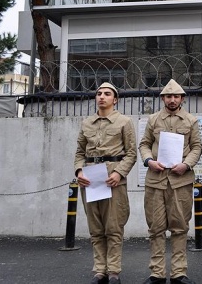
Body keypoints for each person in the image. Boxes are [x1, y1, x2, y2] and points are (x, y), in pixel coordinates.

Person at [139, 79, 202, 284]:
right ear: (163, 98)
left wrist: (187, 165)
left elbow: (196, 147)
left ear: (182, 99)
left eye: (176, 96)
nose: (172, 100)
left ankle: (179, 273)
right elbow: (144, 144)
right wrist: (149, 160)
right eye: (168, 96)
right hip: (156, 181)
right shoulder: (153, 120)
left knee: (179, 227)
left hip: (180, 181)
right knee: (156, 228)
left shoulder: (190, 121)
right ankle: (157, 273)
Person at [74, 82, 137, 284]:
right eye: (99, 93)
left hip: (112, 178)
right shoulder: (86, 123)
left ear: (115, 99)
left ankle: (114, 271)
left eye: (107, 94)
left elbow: (131, 153)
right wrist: (79, 170)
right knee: (96, 228)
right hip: (91, 177)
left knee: (113, 227)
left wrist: (119, 173)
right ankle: (99, 270)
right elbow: (79, 153)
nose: (102, 96)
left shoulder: (124, 122)